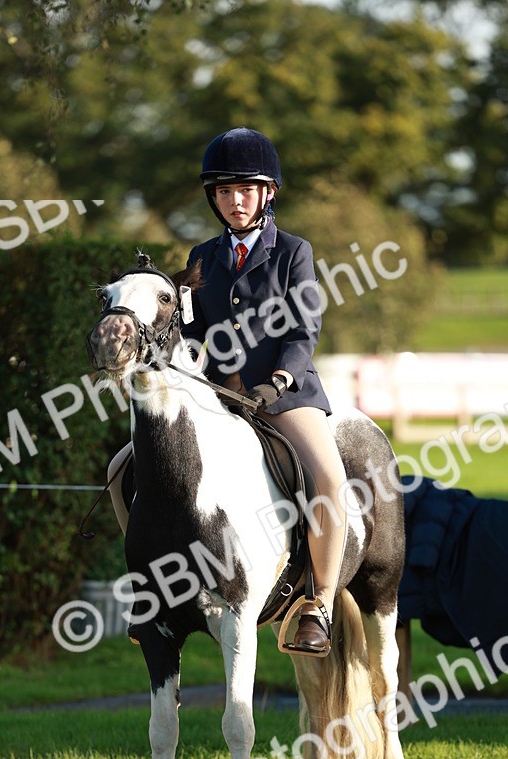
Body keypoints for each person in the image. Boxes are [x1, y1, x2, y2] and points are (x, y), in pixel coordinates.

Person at [108, 126, 347, 655]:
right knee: (120, 470)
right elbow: (189, 334)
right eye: (224, 192)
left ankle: (320, 604)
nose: (235, 202)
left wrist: (277, 383)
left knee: (327, 477)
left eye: (245, 190)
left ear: (267, 193)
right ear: (213, 198)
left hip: (283, 395)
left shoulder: (293, 252)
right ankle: (150, 589)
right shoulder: (203, 257)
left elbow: (304, 331)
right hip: (216, 399)